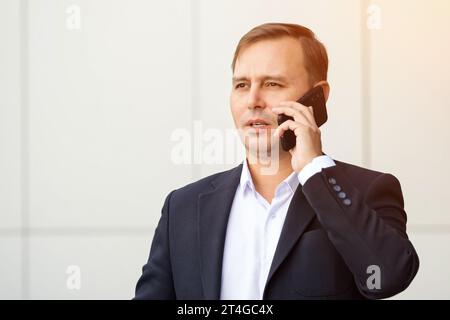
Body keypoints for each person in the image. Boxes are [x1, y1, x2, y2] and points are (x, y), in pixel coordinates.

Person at [134, 23, 419, 300]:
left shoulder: (369, 190)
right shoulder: (183, 207)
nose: (253, 100)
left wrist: (314, 170)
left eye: (272, 83)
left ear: (318, 97)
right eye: (242, 85)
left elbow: (388, 277)